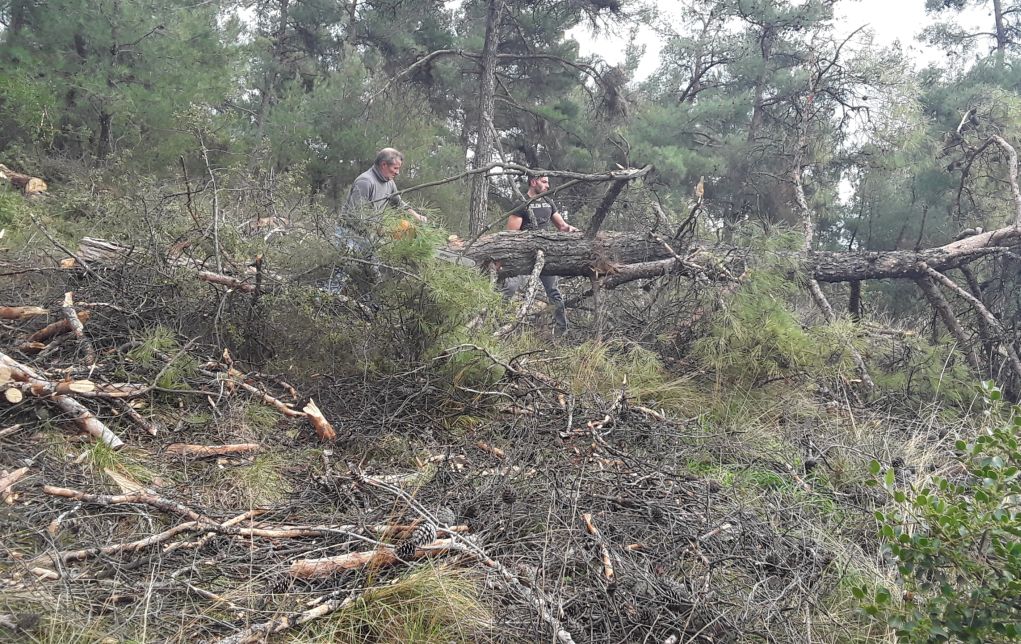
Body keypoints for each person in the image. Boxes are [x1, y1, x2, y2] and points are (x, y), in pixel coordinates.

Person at [327, 148, 426, 295]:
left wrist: (417, 216)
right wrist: (382, 229)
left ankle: (365, 304)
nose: (397, 172)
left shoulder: (389, 182)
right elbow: (356, 215)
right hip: (349, 234)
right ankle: (325, 299)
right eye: (395, 168)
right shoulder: (365, 181)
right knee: (341, 273)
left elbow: (398, 203)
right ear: (384, 165)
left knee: (372, 273)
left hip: (368, 236)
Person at [503, 175, 580, 335]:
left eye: (547, 182)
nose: (547, 185)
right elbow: (511, 234)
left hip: (545, 255)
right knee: (510, 288)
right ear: (533, 182)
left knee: (553, 292)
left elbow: (562, 226)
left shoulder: (548, 202)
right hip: (523, 256)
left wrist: (571, 229)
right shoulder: (521, 203)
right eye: (544, 182)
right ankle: (496, 321)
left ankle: (562, 332)